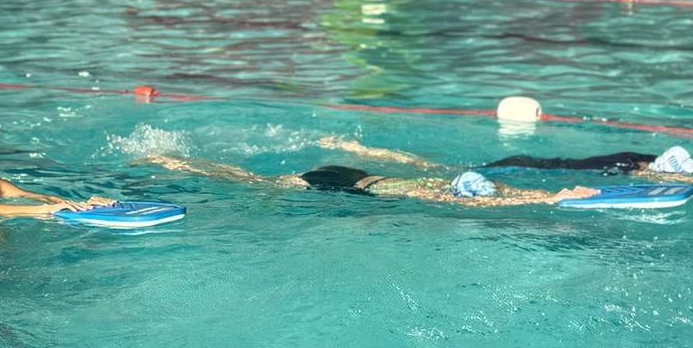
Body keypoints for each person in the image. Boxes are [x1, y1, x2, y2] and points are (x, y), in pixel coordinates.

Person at [139, 153, 600, 206]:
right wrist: (550, 199)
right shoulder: (437, 194)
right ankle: (188, 165)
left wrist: (552, 194)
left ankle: (182, 162)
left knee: (258, 178)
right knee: (255, 183)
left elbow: (501, 194)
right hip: (341, 183)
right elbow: (494, 200)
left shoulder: (444, 183)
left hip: (354, 176)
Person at [315, 138, 693, 187]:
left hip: (535, 162)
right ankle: (369, 153)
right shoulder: (629, 165)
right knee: (436, 172)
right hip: (522, 167)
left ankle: (368, 153)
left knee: (436, 168)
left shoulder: (637, 160)